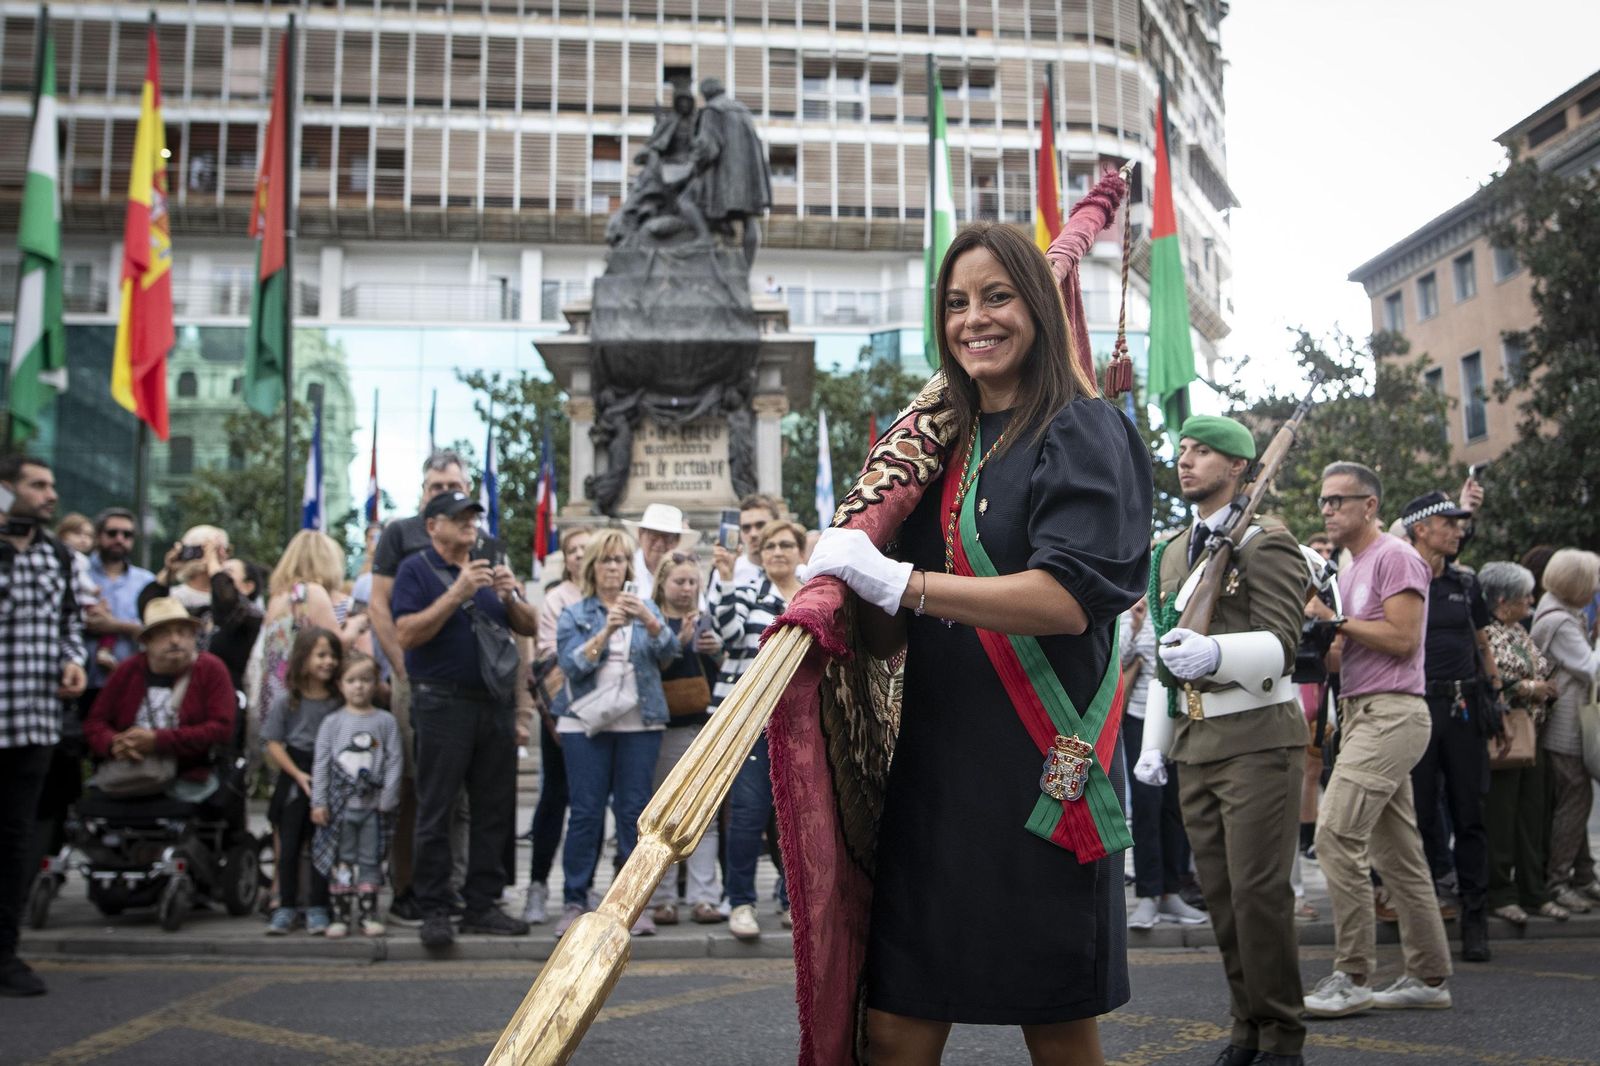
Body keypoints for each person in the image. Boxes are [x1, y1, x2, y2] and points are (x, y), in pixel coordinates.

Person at [806, 221, 1150, 1064]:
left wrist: (902, 583)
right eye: (957, 303)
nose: (975, 319)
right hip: (933, 776)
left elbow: (1067, 599)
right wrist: (848, 578)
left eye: (997, 297)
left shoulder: (1082, 428)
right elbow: (889, 636)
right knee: (893, 1028)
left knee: (1056, 1026)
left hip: (1039, 769)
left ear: (1036, 305)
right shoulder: (936, 452)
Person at [1133, 414, 1310, 1066]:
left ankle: (1282, 1037)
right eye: (1182, 449)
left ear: (1239, 467)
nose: (1186, 460)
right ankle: (1247, 1027)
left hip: (1260, 739)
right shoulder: (1172, 551)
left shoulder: (1269, 543)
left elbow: (1284, 645)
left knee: (1261, 899)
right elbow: (1160, 655)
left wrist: (1215, 653)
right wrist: (1155, 742)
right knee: (1226, 902)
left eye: (1203, 451)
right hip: (1195, 743)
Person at [1303, 461, 1453, 1018]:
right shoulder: (1352, 565)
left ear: (1370, 506)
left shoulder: (1395, 555)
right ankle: (1430, 975)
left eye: (1338, 501)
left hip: (1392, 714)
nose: (1327, 511)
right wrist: (1317, 631)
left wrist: (1333, 622)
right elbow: (1351, 651)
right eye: (1323, 501)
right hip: (1364, 712)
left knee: (1337, 834)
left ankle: (1353, 975)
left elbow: (1403, 638)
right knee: (1400, 855)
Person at [391, 490, 540, 948]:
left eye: (473, 517)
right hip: (441, 703)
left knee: (493, 807)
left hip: (491, 704)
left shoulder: (488, 567)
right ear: (433, 525)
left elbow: (529, 626)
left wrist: (510, 596)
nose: (470, 524)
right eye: (459, 518)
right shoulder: (415, 571)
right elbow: (406, 634)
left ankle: (482, 903)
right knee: (437, 806)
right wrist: (457, 592)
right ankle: (435, 906)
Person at [553, 529, 679, 938]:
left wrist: (649, 620)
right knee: (586, 812)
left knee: (634, 813)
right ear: (592, 567)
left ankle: (631, 903)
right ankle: (575, 898)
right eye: (606, 560)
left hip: (638, 722)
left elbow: (670, 652)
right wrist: (606, 631)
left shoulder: (643, 607)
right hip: (585, 725)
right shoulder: (576, 613)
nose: (613, 567)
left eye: (620, 560)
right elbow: (572, 667)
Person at [367, 450, 473, 927]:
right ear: (423, 491)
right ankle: (407, 889)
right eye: (435, 487)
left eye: (453, 486)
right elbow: (379, 607)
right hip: (415, 680)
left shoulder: (478, 535)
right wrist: (403, 671)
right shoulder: (399, 533)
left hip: (466, 688)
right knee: (415, 788)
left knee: (460, 796)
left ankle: (452, 887)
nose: (444, 494)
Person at [1399, 491, 1504, 962]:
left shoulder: (1466, 581)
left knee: (1470, 814)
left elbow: (1482, 642)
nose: (1459, 530)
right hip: (1417, 705)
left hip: (1462, 708)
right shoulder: (1401, 578)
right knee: (1417, 815)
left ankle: (1475, 917)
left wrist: (1496, 697)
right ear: (1422, 528)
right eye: (1450, 522)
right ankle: (1424, 918)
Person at [0, 455, 86, 997]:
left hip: (33, 724)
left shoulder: (56, 554)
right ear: (7, 490)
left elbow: (69, 622)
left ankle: (5, 954)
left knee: (14, 844)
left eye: (52, 485)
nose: (49, 494)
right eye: (37, 485)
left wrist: (73, 659)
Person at [714, 519, 809, 940]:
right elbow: (731, 636)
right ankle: (740, 903)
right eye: (769, 546)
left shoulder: (815, 593)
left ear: (799, 551)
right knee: (749, 816)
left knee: (796, 817)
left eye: (786, 544)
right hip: (755, 723)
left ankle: (791, 901)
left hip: (804, 720)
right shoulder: (751, 595)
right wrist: (726, 578)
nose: (777, 552)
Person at [1478, 561, 1567, 924]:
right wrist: (1534, 688)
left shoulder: (1519, 629)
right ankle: (1500, 893)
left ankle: (1534, 892)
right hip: (1505, 734)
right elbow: (1492, 679)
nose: (1531, 601)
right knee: (1501, 816)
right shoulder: (1486, 631)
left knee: (1533, 814)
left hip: (1532, 732)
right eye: (1524, 595)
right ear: (1502, 600)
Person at [648, 551, 726, 926]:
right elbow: (647, 670)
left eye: (692, 582)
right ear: (662, 583)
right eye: (679, 582)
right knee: (664, 816)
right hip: (666, 729)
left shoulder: (708, 619)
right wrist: (675, 642)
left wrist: (717, 652)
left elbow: (727, 670)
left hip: (705, 725)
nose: (686, 589)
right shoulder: (651, 621)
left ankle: (704, 897)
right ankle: (662, 898)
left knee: (704, 817)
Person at [522, 525, 593, 925]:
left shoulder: (612, 593)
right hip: (563, 713)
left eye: (587, 548)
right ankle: (536, 884)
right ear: (565, 559)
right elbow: (552, 653)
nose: (581, 556)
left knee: (591, 802)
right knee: (554, 796)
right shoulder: (557, 598)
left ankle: (579, 887)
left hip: (602, 716)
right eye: (573, 550)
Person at [1120, 595, 1199, 931]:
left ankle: (1171, 892)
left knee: (1175, 806)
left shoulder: (1183, 602)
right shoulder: (1132, 606)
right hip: (1140, 717)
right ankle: (1149, 895)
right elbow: (1118, 659)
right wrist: (1135, 624)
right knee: (1146, 806)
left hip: (1179, 718)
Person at [311, 654, 402, 939]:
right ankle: (340, 915)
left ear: (376, 684)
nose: (359, 687)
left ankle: (368, 914)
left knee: (371, 859)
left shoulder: (385, 721)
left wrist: (389, 797)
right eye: (351, 681)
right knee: (342, 860)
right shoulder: (332, 723)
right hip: (340, 808)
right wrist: (319, 801)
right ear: (340, 684)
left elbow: (394, 760)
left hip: (373, 807)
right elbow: (322, 763)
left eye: (365, 680)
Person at [1529, 548, 1600, 914]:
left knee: (1575, 800)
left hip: (1566, 725)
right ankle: (1558, 881)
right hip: (1564, 729)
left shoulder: (1555, 610)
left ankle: (1583, 874)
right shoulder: (1561, 622)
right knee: (1575, 801)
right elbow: (1590, 667)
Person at [261, 627, 343, 935]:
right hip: (296, 774)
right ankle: (286, 905)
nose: (329, 662)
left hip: (329, 775)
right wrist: (297, 774)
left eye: (333, 655)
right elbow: (272, 741)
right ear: (303, 658)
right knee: (290, 846)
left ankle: (319, 906)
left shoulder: (338, 702)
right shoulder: (287, 702)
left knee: (323, 845)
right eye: (321, 655)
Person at [624, 503, 699, 599]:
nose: (659, 543)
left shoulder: (686, 573)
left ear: (677, 541)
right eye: (653, 535)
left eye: (667, 537)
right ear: (640, 534)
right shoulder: (625, 568)